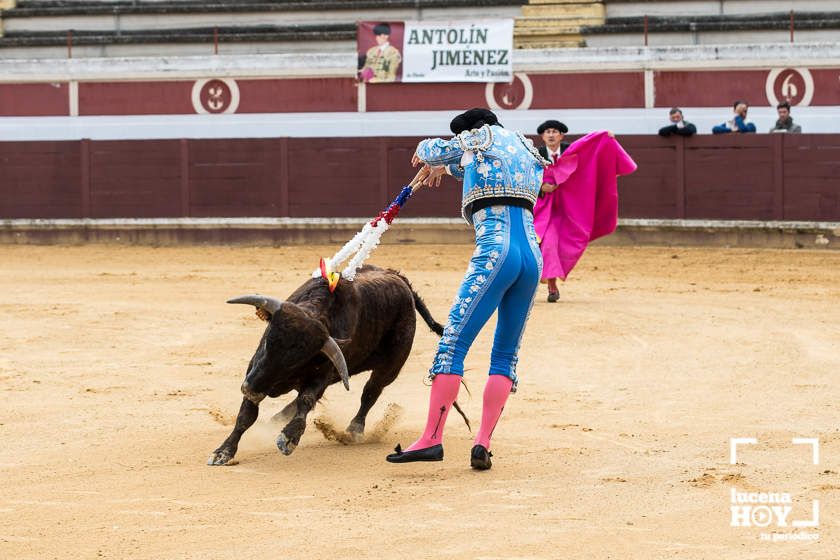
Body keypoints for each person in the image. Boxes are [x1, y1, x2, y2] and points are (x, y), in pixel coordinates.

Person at [386, 108, 549, 470]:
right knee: (505, 355)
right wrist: (449, 169)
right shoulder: (525, 148)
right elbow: (476, 165)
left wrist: (429, 155)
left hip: (496, 253)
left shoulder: (482, 136)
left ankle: (432, 438)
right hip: (532, 258)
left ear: (473, 131)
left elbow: (432, 150)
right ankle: (482, 444)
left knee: (453, 345)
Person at [534, 119, 570, 302]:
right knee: (548, 243)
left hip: (568, 208)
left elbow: (590, 163)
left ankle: (547, 279)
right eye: (547, 131)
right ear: (542, 136)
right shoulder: (536, 154)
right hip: (542, 209)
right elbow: (525, 176)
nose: (551, 134)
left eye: (554, 131)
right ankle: (552, 285)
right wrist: (541, 187)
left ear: (561, 135)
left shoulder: (570, 151)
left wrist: (605, 136)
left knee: (559, 246)